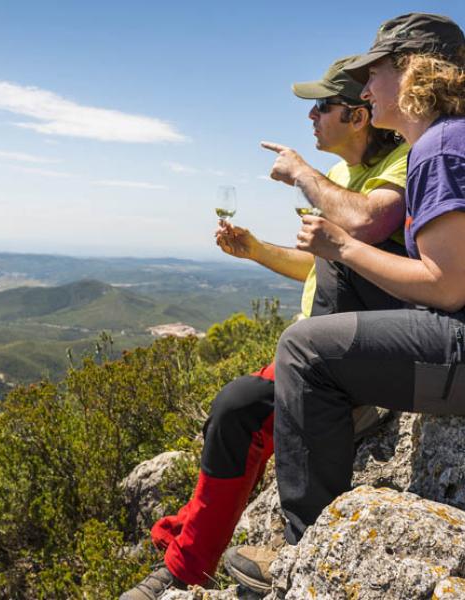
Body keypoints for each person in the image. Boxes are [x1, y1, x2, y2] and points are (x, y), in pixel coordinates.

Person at [120, 56, 410, 600]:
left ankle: (185, 568)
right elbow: (324, 265)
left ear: (357, 115)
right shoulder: (345, 178)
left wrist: (302, 172)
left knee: (239, 410)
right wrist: (255, 251)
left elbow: (368, 224)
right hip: (314, 344)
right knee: (230, 416)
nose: (311, 117)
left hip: (347, 355)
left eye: (321, 106)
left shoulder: (398, 165)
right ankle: (186, 546)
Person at [225, 12, 465, 595]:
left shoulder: (440, 146)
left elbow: (448, 286)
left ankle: (304, 548)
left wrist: (344, 247)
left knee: (304, 350)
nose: (365, 89)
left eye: (374, 73)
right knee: (335, 274)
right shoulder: (447, 140)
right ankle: (342, 404)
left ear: (413, 72)